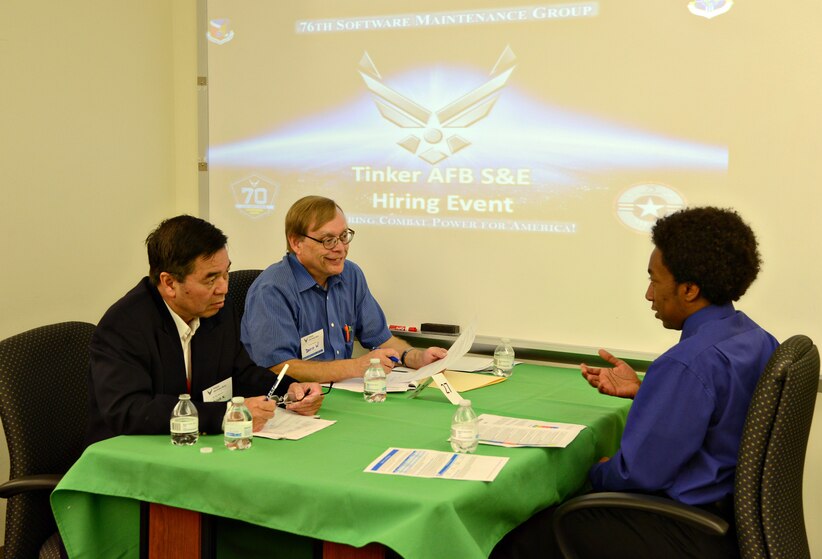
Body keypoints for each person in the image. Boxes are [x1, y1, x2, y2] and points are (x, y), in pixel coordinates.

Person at [492, 206, 778, 559]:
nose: (648, 295)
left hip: (684, 530)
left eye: (655, 281)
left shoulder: (686, 364)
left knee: (514, 542)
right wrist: (650, 393)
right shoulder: (756, 338)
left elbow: (636, 476)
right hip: (732, 524)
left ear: (689, 290)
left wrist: (598, 471)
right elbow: (723, 411)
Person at [86, 215, 323, 445]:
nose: (223, 288)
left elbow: (240, 372)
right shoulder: (124, 325)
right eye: (210, 279)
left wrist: (289, 389)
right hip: (133, 452)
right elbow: (130, 409)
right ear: (169, 283)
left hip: (200, 444)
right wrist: (225, 414)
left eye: (226, 274)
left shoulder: (218, 309)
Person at [241, 195, 448, 383]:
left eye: (343, 237)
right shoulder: (272, 290)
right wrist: (356, 367)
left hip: (340, 392)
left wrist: (417, 357)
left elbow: (382, 339)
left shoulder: (350, 275)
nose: (340, 248)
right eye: (328, 240)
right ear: (296, 243)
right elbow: (278, 367)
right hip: (287, 401)